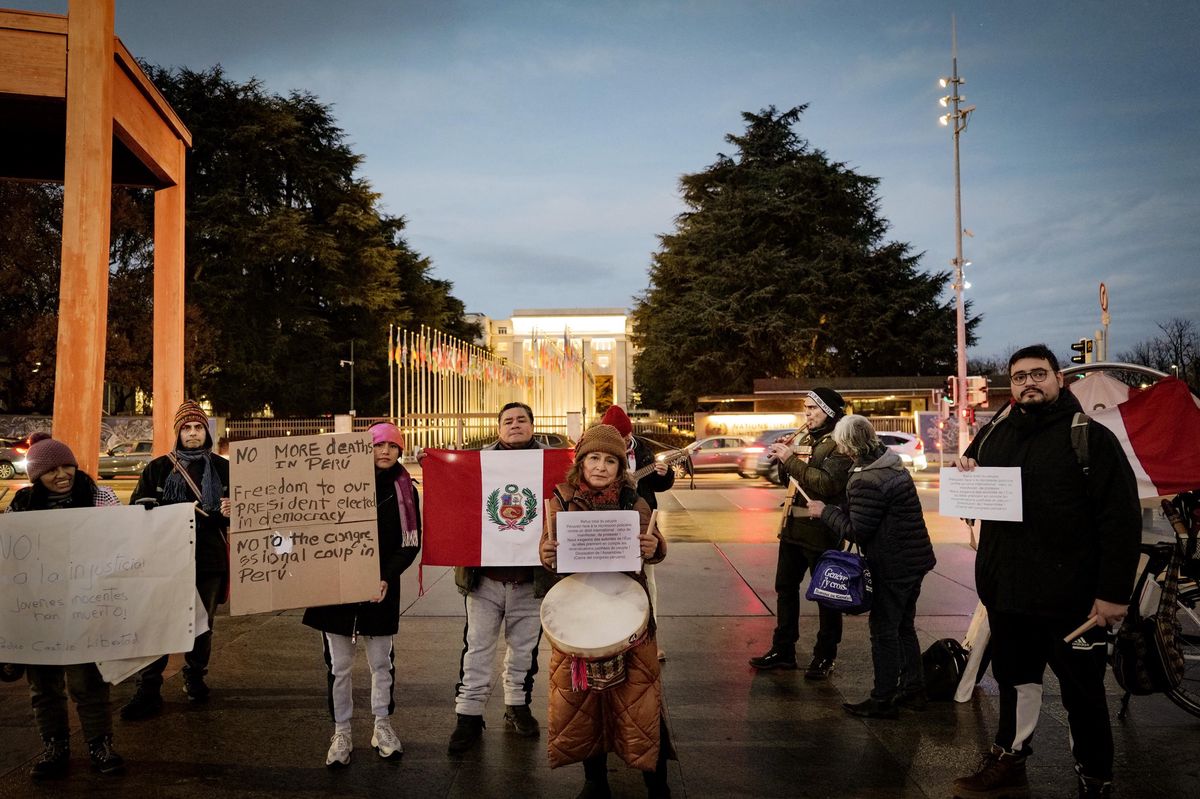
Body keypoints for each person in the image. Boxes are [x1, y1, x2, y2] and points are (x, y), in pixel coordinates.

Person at [949, 344, 1140, 799]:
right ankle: (1009, 759)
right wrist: (966, 470)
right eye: (1019, 377)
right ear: (1010, 385)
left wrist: (1113, 594)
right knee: (1016, 682)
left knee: (1083, 694)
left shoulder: (1089, 436)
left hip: (1072, 599)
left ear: (1058, 379)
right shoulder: (997, 430)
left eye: (1038, 374)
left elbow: (1121, 518)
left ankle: (1095, 777)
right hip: (1009, 593)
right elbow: (972, 470)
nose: (1028, 383)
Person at [539, 423, 672, 799]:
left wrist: (653, 547)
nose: (600, 467)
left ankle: (655, 782)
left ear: (620, 466)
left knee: (641, 703)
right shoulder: (560, 499)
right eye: (593, 458)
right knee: (584, 705)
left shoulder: (634, 500)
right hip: (578, 617)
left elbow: (657, 545)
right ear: (580, 462)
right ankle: (595, 781)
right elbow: (547, 547)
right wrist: (547, 555)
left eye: (610, 460)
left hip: (628, 615)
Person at [5, 436, 125, 779]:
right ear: (36, 476)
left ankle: (100, 745)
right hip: (38, 610)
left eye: (66, 466)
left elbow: (124, 538)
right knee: (43, 687)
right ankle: (54, 746)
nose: (61, 474)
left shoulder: (99, 495)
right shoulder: (24, 503)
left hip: (86, 606)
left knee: (89, 683)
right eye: (51, 470)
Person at [302, 422, 421, 768]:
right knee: (339, 667)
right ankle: (341, 731)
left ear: (401, 451)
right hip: (334, 590)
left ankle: (382, 724)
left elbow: (409, 543)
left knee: (381, 664)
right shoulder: (333, 482)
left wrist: (386, 577)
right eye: (377, 445)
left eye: (392, 447)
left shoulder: (405, 490)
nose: (384, 452)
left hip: (379, 591)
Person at [808, 415, 935, 719]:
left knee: (883, 631)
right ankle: (913, 690)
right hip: (915, 559)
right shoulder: (890, 464)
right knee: (904, 625)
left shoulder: (867, 478)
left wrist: (825, 511)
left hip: (892, 565)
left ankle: (883, 698)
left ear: (848, 444)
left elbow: (857, 531)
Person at [446, 402, 550, 752]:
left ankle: (517, 706)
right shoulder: (477, 464)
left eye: (522, 420)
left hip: (530, 580)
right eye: (508, 421)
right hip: (484, 579)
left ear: (532, 426)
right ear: (499, 428)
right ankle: (468, 716)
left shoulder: (551, 465)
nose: (515, 425)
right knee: (477, 648)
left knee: (524, 651)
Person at [122, 400, 231, 720]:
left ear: (206, 433)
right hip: (166, 561)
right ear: (177, 433)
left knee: (202, 625)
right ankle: (149, 686)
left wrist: (231, 510)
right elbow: (138, 509)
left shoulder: (223, 468)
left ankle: (195, 676)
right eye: (187, 428)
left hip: (209, 559)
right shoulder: (158, 468)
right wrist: (168, 512)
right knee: (158, 622)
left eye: (198, 428)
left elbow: (247, 511)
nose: (193, 434)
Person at [749, 388, 852, 678]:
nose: (806, 413)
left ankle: (825, 655)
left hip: (821, 531)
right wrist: (784, 459)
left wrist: (791, 460)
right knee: (785, 588)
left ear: (829, 411)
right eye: (805, 408)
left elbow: (827, 484)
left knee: (826, 595)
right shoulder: (807, 438)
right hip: (793, 527)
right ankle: (783, 649)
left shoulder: (839, 443)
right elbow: (791, 481)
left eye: (812, 408)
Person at [601, 404, 673, 660]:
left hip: (641, 520)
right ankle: (610, 639)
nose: (624, 441)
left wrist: (665, 474)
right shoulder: (598, 448)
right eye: (619, 438)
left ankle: (649, 640)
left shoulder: (642, 449)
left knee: (647, 582)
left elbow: (660, 485)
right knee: (606, 584)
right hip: (606, 523)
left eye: (626, 437)